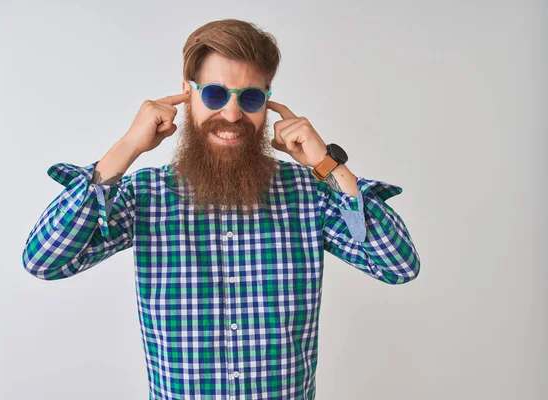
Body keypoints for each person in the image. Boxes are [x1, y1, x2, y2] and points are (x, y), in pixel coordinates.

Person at [22, 18, 420, 400]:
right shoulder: (145, 195)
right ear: (187, 93)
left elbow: (397, 267)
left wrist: (328, 165)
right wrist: (127, 147)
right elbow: (46, 261)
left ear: (267, 101)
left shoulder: (308, 193)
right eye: (214, 94)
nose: (232, 115)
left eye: (250, 98)